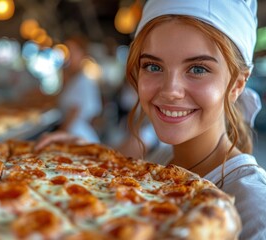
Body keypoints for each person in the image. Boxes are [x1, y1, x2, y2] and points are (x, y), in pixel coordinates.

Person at [35, 0, 266, 239]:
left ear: (237, 84)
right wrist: (91, 162)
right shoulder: (157, 163)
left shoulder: (256, 208)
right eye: (153, 66)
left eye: (198, 69)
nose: (170, 90)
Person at [56, 34, 102, 143]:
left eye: (72, 52)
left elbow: (73, 113)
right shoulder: (76, 79)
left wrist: (57, 136)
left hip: (75, 136)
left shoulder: (82, 81)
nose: (68, 56)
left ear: (82, 54)